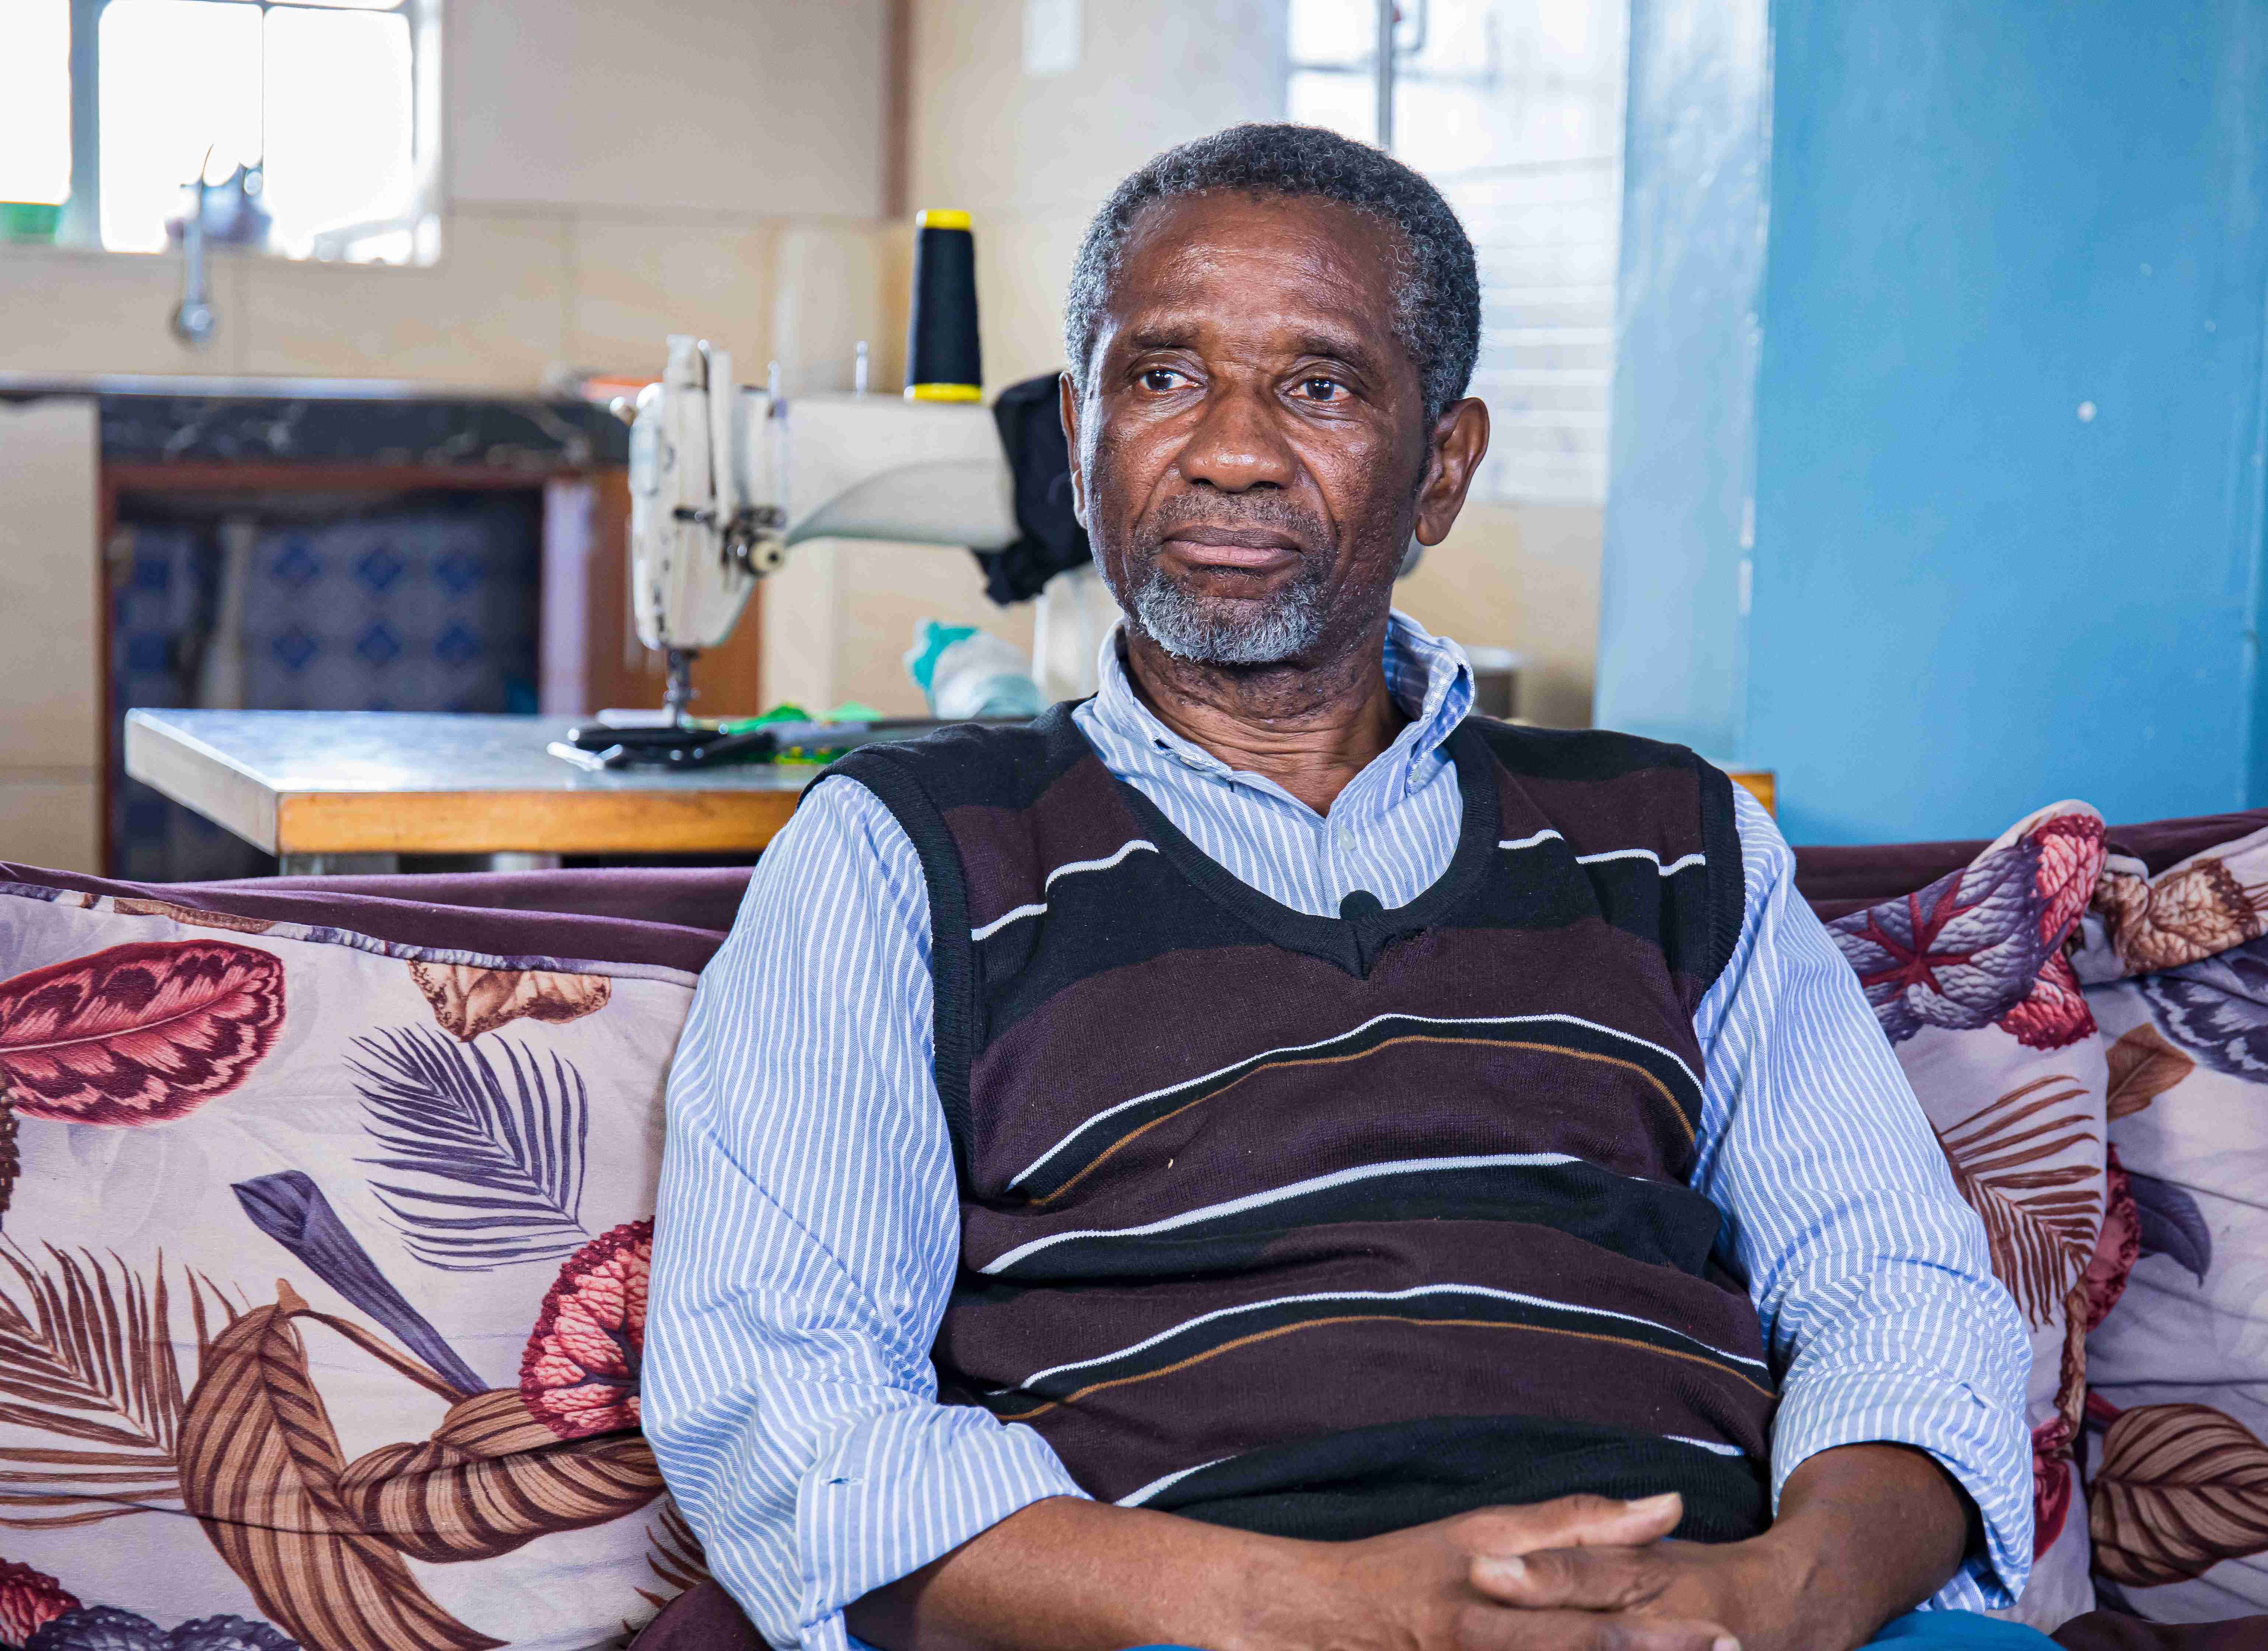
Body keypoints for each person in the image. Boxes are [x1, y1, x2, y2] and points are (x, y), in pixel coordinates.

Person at [640, 123, 2045, 1651]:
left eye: (1318, 387)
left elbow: (1892, 1292)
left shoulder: (1677, 837)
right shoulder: (900, 852)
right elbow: (782, 1406)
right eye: (1162, 376)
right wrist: (1338, 1613)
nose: (1231, 452)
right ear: (1079, 441)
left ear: (1444, 466)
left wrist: (1773, 1601)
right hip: (1200, 1623)